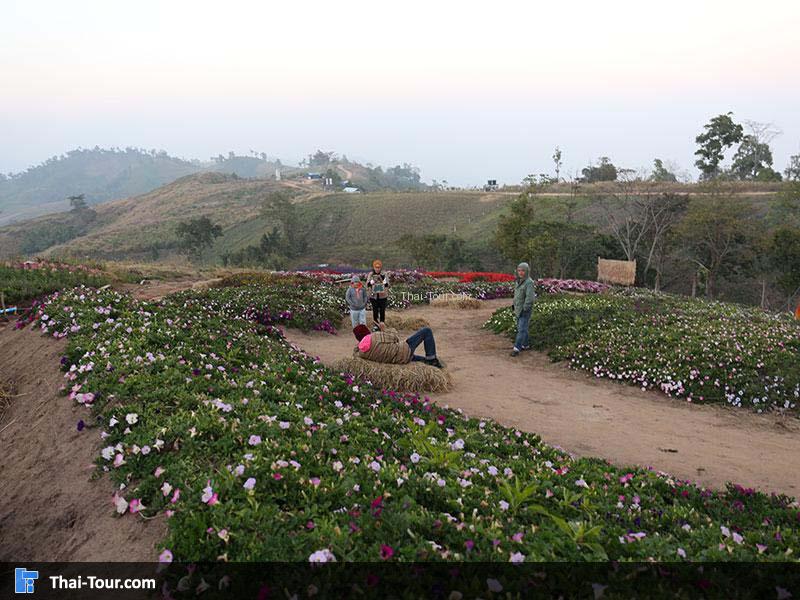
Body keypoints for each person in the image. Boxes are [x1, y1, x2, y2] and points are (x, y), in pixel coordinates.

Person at [352, 323, 443, 368]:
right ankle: (431, 359)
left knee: (420, 359)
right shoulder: (375, 336)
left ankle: (425, 360)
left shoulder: (361, 351)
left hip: (396, 359)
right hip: (404, 351)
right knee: (427, 331)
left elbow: (356, 351)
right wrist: (384, 329)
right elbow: (395, 338)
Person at [510, 262, 536, 357]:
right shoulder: (518, 281)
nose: (521, 272)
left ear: (527, 271)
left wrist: (525, 308)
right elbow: (517, 295)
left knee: (521, 329)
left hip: (525, 310)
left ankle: (517, 348)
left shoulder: (529, 282)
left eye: (523, 270)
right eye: (519, 270)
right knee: (522, 328)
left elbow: (530, 297)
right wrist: (514, 305)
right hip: (518, 308)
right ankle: (525, 344)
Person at [367, 259, 390, 330]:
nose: (377, 269)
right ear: (373, 267)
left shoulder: (384, 274)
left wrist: (384, 282)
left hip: (383, 296)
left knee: (382, 310)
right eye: (376, 267)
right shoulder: (370, 274)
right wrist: (371, 282)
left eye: (379, 267)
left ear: (381, 267)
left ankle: (382, 324)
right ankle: (376, 325)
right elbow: (367, 284)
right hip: (374, 296)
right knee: (375, 311)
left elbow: (388, 285)